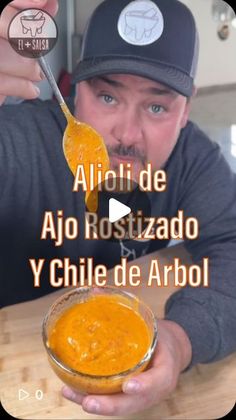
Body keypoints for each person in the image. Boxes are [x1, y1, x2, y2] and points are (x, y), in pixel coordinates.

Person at [0, 0, 236, 416]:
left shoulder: (193, 160)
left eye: (157, 107)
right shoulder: (21, 143)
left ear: (187, 110)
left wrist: (181, 340)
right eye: (107, 96)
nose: (126, 135)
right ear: (75, 88)